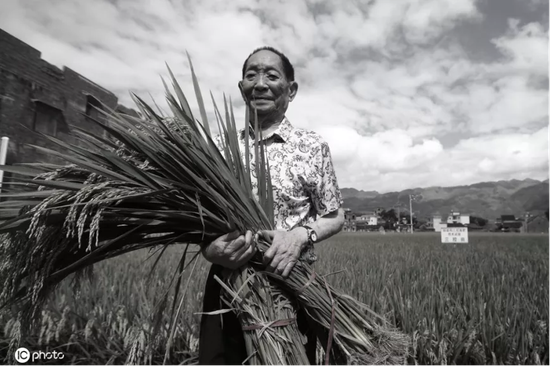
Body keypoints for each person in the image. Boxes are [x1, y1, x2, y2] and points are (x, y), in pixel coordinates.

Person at [198, 46, 345, 366]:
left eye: (271, 75)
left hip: (292, 287)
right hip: (229, 286)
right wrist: (212, 250)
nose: (260, 83)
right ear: (241, 88)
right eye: (251, 75)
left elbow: (334, 215)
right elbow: (200, 222)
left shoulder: (311, 146)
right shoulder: (219, 149)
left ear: (291, 90)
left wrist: (300, 236)